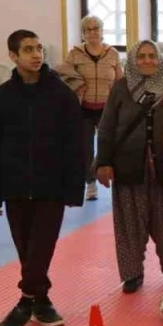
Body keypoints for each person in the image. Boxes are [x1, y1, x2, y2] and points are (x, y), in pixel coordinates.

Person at [0, 30, 84, 326]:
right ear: (13, 56)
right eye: (28, 49)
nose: (36, 54)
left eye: (39, 48)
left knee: (41, 249)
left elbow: (76, 145)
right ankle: (41, 301)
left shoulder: (62, 95)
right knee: (27, 252)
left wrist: (74, 189)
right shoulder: (1, 97)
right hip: (14, 187)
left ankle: (24, 303)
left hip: (51, 188)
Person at [96, 40, 163, 293]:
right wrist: (103, 162)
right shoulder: (121, 88)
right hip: (127, 166)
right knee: (129, 225)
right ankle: (132, 273)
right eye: (141, 56)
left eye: (152, 56)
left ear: (160, 59)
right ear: (133, 61)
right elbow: (107, 126)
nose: (147, 60)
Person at [57, 15, 122, 201]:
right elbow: (63, 74)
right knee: (86, 149)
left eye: (96, 28)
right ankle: (90, 183)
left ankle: (110, 179)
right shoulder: (75, 53)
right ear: (83, 33)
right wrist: (77, 84)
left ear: (102, 32)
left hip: (106, 110)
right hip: (83, 109)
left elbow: (120, 81)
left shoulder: (113, 54)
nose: (93, 32)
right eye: (88, 29)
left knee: (108, 146)